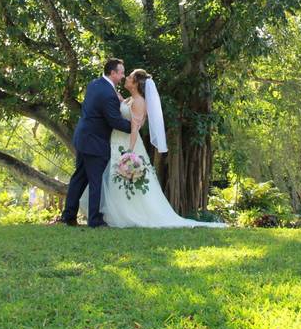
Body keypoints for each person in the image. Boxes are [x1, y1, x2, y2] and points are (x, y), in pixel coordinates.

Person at [83, 68, 226, 228]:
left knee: (128, 178)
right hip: (117, 143)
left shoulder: (139, 102)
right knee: (118, 179)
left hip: (128, 145)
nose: (126, 78)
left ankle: (130, 214)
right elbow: (125, 109)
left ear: (136, 82)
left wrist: (129, 153)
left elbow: (135, 128)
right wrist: (119, 98)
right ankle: (118, 213)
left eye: (129, 77)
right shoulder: (132, 99)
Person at [59, 58, 132, 227]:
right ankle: (95, 219)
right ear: (112, 73)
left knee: (79, 178)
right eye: (121, 72)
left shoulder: (94, 84)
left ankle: (68, 216)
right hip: (95, 142)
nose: (123, 76)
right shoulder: (108, 94)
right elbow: (114, 121)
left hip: (83, 138)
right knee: (95, 181)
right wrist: (134, 126)